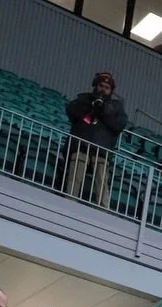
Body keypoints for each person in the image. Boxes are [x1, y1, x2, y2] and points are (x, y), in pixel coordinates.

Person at [64, 72, 127, 208]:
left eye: (106, 87)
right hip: (81, 145)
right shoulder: (84, 98)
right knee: (75, 176)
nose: (103, 89)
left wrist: (104, 111)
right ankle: (69, 201)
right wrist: (90, 105)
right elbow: (72, 112)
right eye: (100, 85)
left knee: (102, 181)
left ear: (111, 90)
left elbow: (119, 126)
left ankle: (103, 209)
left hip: (102, 150)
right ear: (95, 86)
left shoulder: (116, 106)